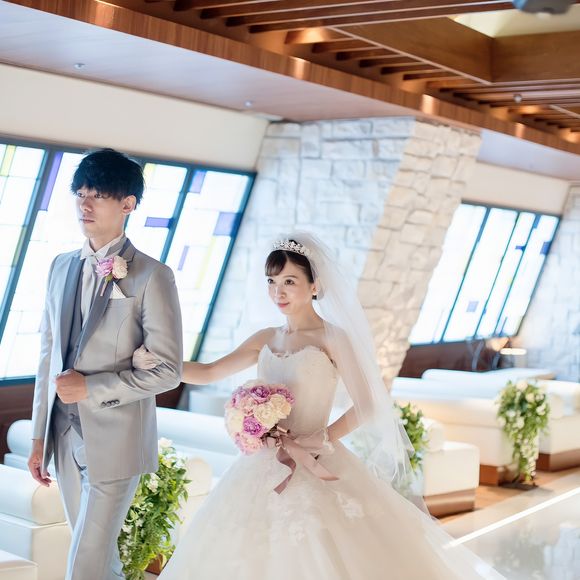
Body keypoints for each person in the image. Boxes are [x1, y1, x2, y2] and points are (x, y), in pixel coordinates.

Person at [135, 232, 503, 580]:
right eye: (271, 281)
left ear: (314, 285)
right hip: (260, 464)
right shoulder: (266, 337)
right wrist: (163, 363)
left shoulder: (333, 338)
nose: (278, 292)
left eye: (289, 281)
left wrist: (322, 438)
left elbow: (367, 404)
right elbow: (210, 371)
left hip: (318, 456)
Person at [27, 148, 183, 580]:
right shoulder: (60, 266)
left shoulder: (153, 275)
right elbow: (47, 356)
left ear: (127, 204)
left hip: (117, 439)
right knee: (98, 560)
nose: (85, 203)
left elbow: (168, 370)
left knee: (86, 564)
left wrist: (91, 388)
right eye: (80, 193)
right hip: (63, 435)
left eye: (97, 194)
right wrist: (39, 437)